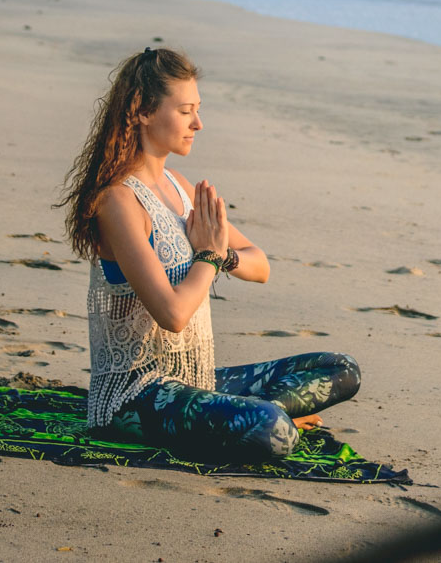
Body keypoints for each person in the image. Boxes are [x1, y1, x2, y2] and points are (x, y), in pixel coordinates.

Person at [60, 46, 361, 462]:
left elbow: (260, 265)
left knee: (342, 369)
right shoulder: (119, 202)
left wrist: (224, 257)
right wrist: (208, 255)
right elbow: (173, 314)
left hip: (195, 378)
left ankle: (266, 412)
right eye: (185, 111)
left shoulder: (181, 187)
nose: (198, 123)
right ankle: (273, 415)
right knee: (272, 430)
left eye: (197, 110)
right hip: (134, 396)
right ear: (143, 111)